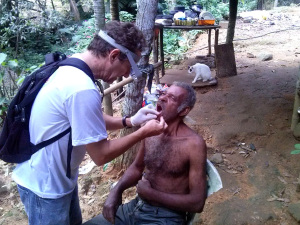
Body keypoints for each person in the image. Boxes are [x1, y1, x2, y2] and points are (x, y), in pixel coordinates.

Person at [12, 21, 167, 225]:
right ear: (113, 55)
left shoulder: (71, 65)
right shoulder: (81, 88)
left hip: (55, 179)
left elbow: (85, 117)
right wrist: (142, 132)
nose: (126, 74)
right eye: (128, 66)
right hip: (46, 188)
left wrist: (129, 121)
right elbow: (101, 155)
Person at [84, 81, 207, 225]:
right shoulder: (151, 131)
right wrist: (116, 191)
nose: (161, 98)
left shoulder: (194, 144)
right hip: (136, 206)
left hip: (167, 216)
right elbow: (137, 167)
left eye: (172, 98)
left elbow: (197, 203)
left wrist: (151, 194)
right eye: (163, 94)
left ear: (184, 110)